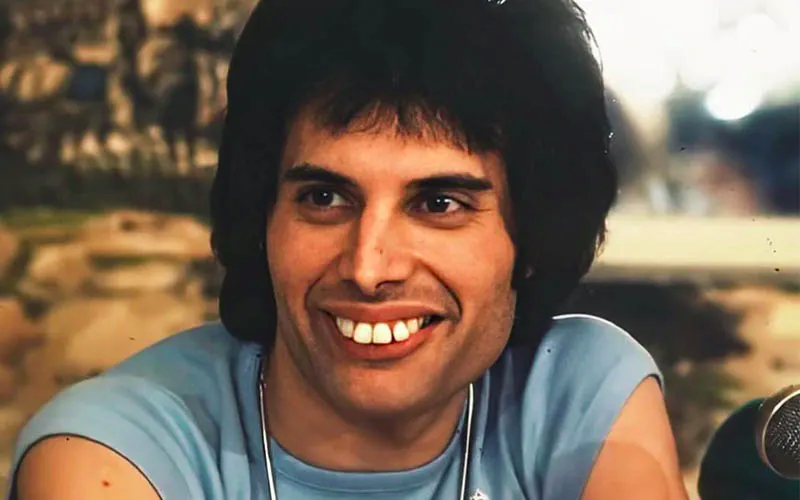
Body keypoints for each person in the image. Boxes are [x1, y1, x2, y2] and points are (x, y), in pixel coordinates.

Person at [9, 0, 688, 498]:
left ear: (534, 235)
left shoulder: (577, 392)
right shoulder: (109, 453)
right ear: (263, 216)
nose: (368, 268)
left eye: (438, 205)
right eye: (325, 198)